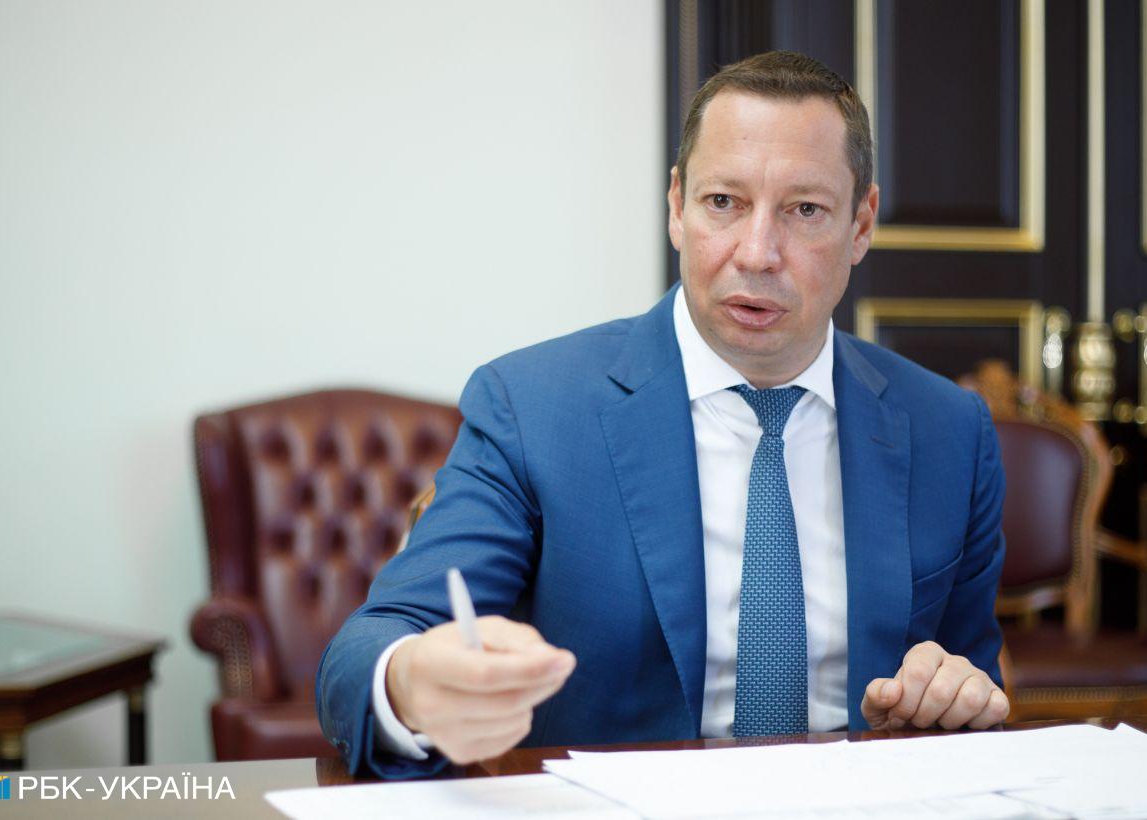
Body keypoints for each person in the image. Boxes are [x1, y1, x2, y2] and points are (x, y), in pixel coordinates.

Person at [317, 50, 1008, 780]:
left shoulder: (950, 432)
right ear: (677, 206)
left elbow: (971, 686)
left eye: (805, 210)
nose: (757, 253)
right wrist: (413, 681)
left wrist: (951, 699)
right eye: (724, 202)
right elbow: (372, 647)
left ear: (862, 224)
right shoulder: (535, 410)